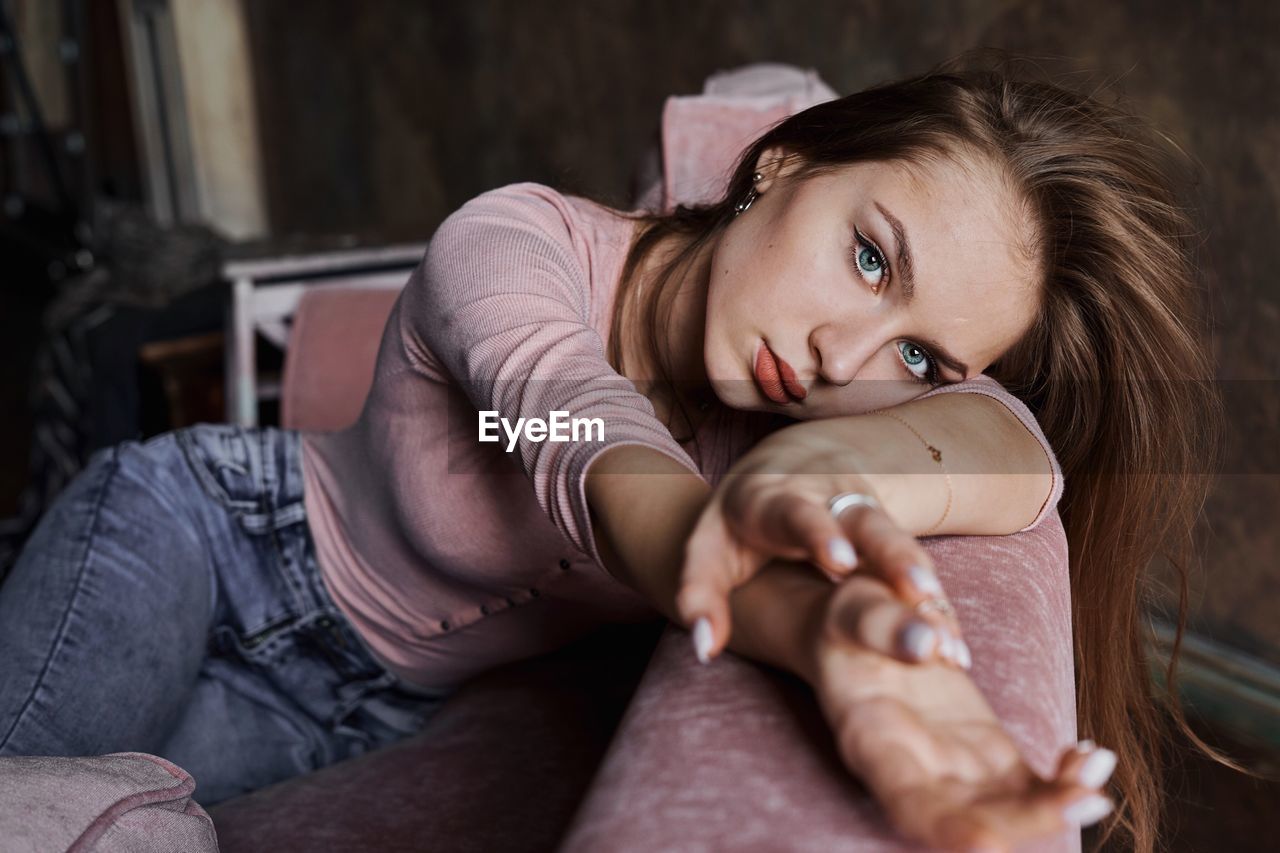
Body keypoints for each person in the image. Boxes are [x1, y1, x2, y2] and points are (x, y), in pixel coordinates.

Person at [0, 54, 1239, 852]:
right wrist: (762, 576)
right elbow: (572, 431)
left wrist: (827, 535)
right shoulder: (511, 247)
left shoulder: (803, 402)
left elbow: (1015, 457)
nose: (837, 350)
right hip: (201, 548)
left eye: (916, 355)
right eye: (869, 255)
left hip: (365, 702)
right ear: (781, 164)